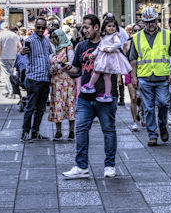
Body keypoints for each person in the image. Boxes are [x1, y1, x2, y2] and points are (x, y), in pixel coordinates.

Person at [62, 14, 119, 179]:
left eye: (87, 27)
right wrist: (67, 68)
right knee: (80, 129)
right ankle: (81, 166)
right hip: (85, 97)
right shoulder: (80, 46)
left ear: (96, 27)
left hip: (105, 96)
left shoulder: (109, 43)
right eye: (83, 27)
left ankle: (109, 165)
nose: (84, 30)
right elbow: (76, 69)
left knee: (108, 130)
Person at [129, 8, 171, 146]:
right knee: (149, 108)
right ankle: (152, 134)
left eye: (153, 21)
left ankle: (162, 125)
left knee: (163, 103)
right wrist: (134, 76)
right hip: (145, 77)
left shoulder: (166, 35)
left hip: (162, 77)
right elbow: (133, 59)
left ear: (157, 20)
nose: (151, 24)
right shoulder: (137, 37)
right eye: (148, 22)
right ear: (143, 22)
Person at [80, 16, 131, 103]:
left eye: (113, 26)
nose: (111, 28)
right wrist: (94, 53)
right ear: (104, 28)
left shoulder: (115, 36)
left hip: (108, 58)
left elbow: (118, 44)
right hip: (103, 56)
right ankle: (105, 93)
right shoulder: (104, 37)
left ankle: (92, 86)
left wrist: (110, 49)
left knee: (100, 72)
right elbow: (100, 46)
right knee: (105, 75)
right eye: (109, 26)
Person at [20, 18, 55, 141]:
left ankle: (35, 132)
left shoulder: (46, 41)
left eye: (43, 28)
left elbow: (51, 54)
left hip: (45, 79)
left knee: (41, 109)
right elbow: (22, 52)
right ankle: (25, 133)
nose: (40, 30)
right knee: (30, 107)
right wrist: (22, 52)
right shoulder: (29, 40)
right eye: (38, 27)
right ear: (35, 27)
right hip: (34, 79)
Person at [48, 29, 76, 141]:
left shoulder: (68, 49)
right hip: (56, 83)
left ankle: (71, 131)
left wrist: (60, 66)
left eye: (56, 37)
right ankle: (58, 131)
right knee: (57, 105)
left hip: (67, 81)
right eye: (53, 37)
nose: (55, 40)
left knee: (69, 105)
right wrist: (52, 70)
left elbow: (72, 63)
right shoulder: (54, 51)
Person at [124, 24, 142, 131]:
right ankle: (135, 122)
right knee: (133, 97)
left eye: (139, 30)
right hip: (129, 72)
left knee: (143, 99)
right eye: (135, 30)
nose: (137, 32)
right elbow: (123, 59)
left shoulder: (144, 43)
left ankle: (141, 112)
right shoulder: (127, 44)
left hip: (142, 72)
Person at [0, 23, 21, 98]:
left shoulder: (0, 35)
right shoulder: (15, 35)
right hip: (13, 57)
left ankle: (11, 92)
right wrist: (16, 53)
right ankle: (8, 91)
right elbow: (20, 47)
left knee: (7, 75)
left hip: (3, 57)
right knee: (12, 75)